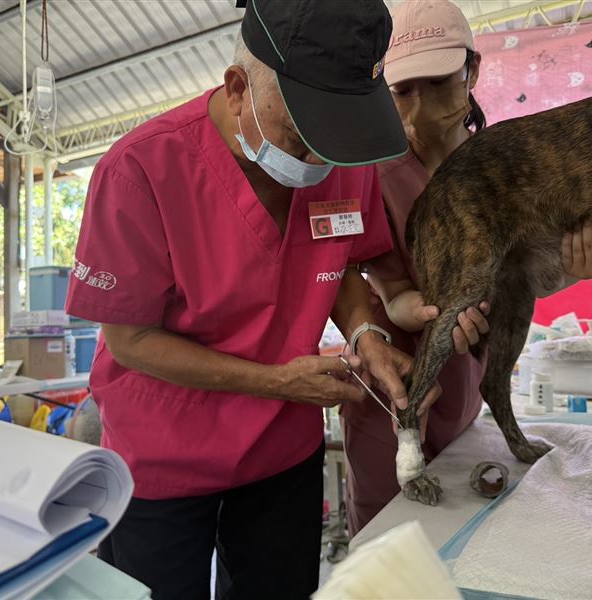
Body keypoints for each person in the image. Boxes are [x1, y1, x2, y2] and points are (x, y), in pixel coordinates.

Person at [64, 2, 439, 598]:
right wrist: (277, 382)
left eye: (335, 142)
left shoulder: (343, 155)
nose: (320, 160)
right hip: (163, 456)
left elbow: (337, 259)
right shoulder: (140, 169)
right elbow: (130, 342)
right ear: (238, 88)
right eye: (301, 136)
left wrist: (367, 334)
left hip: (281, 454)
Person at [341, 0, 592, 536]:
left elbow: (524, 275)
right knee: (389, 549)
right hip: (392, 397)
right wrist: (409, 307)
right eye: (403, 90)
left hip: (468, 397)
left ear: (472, 69)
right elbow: (367, 278)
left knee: (464, 541)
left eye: (438, 81)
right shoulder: (368, 173)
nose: (420, 104)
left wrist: (581, 266)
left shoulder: (510, 166)